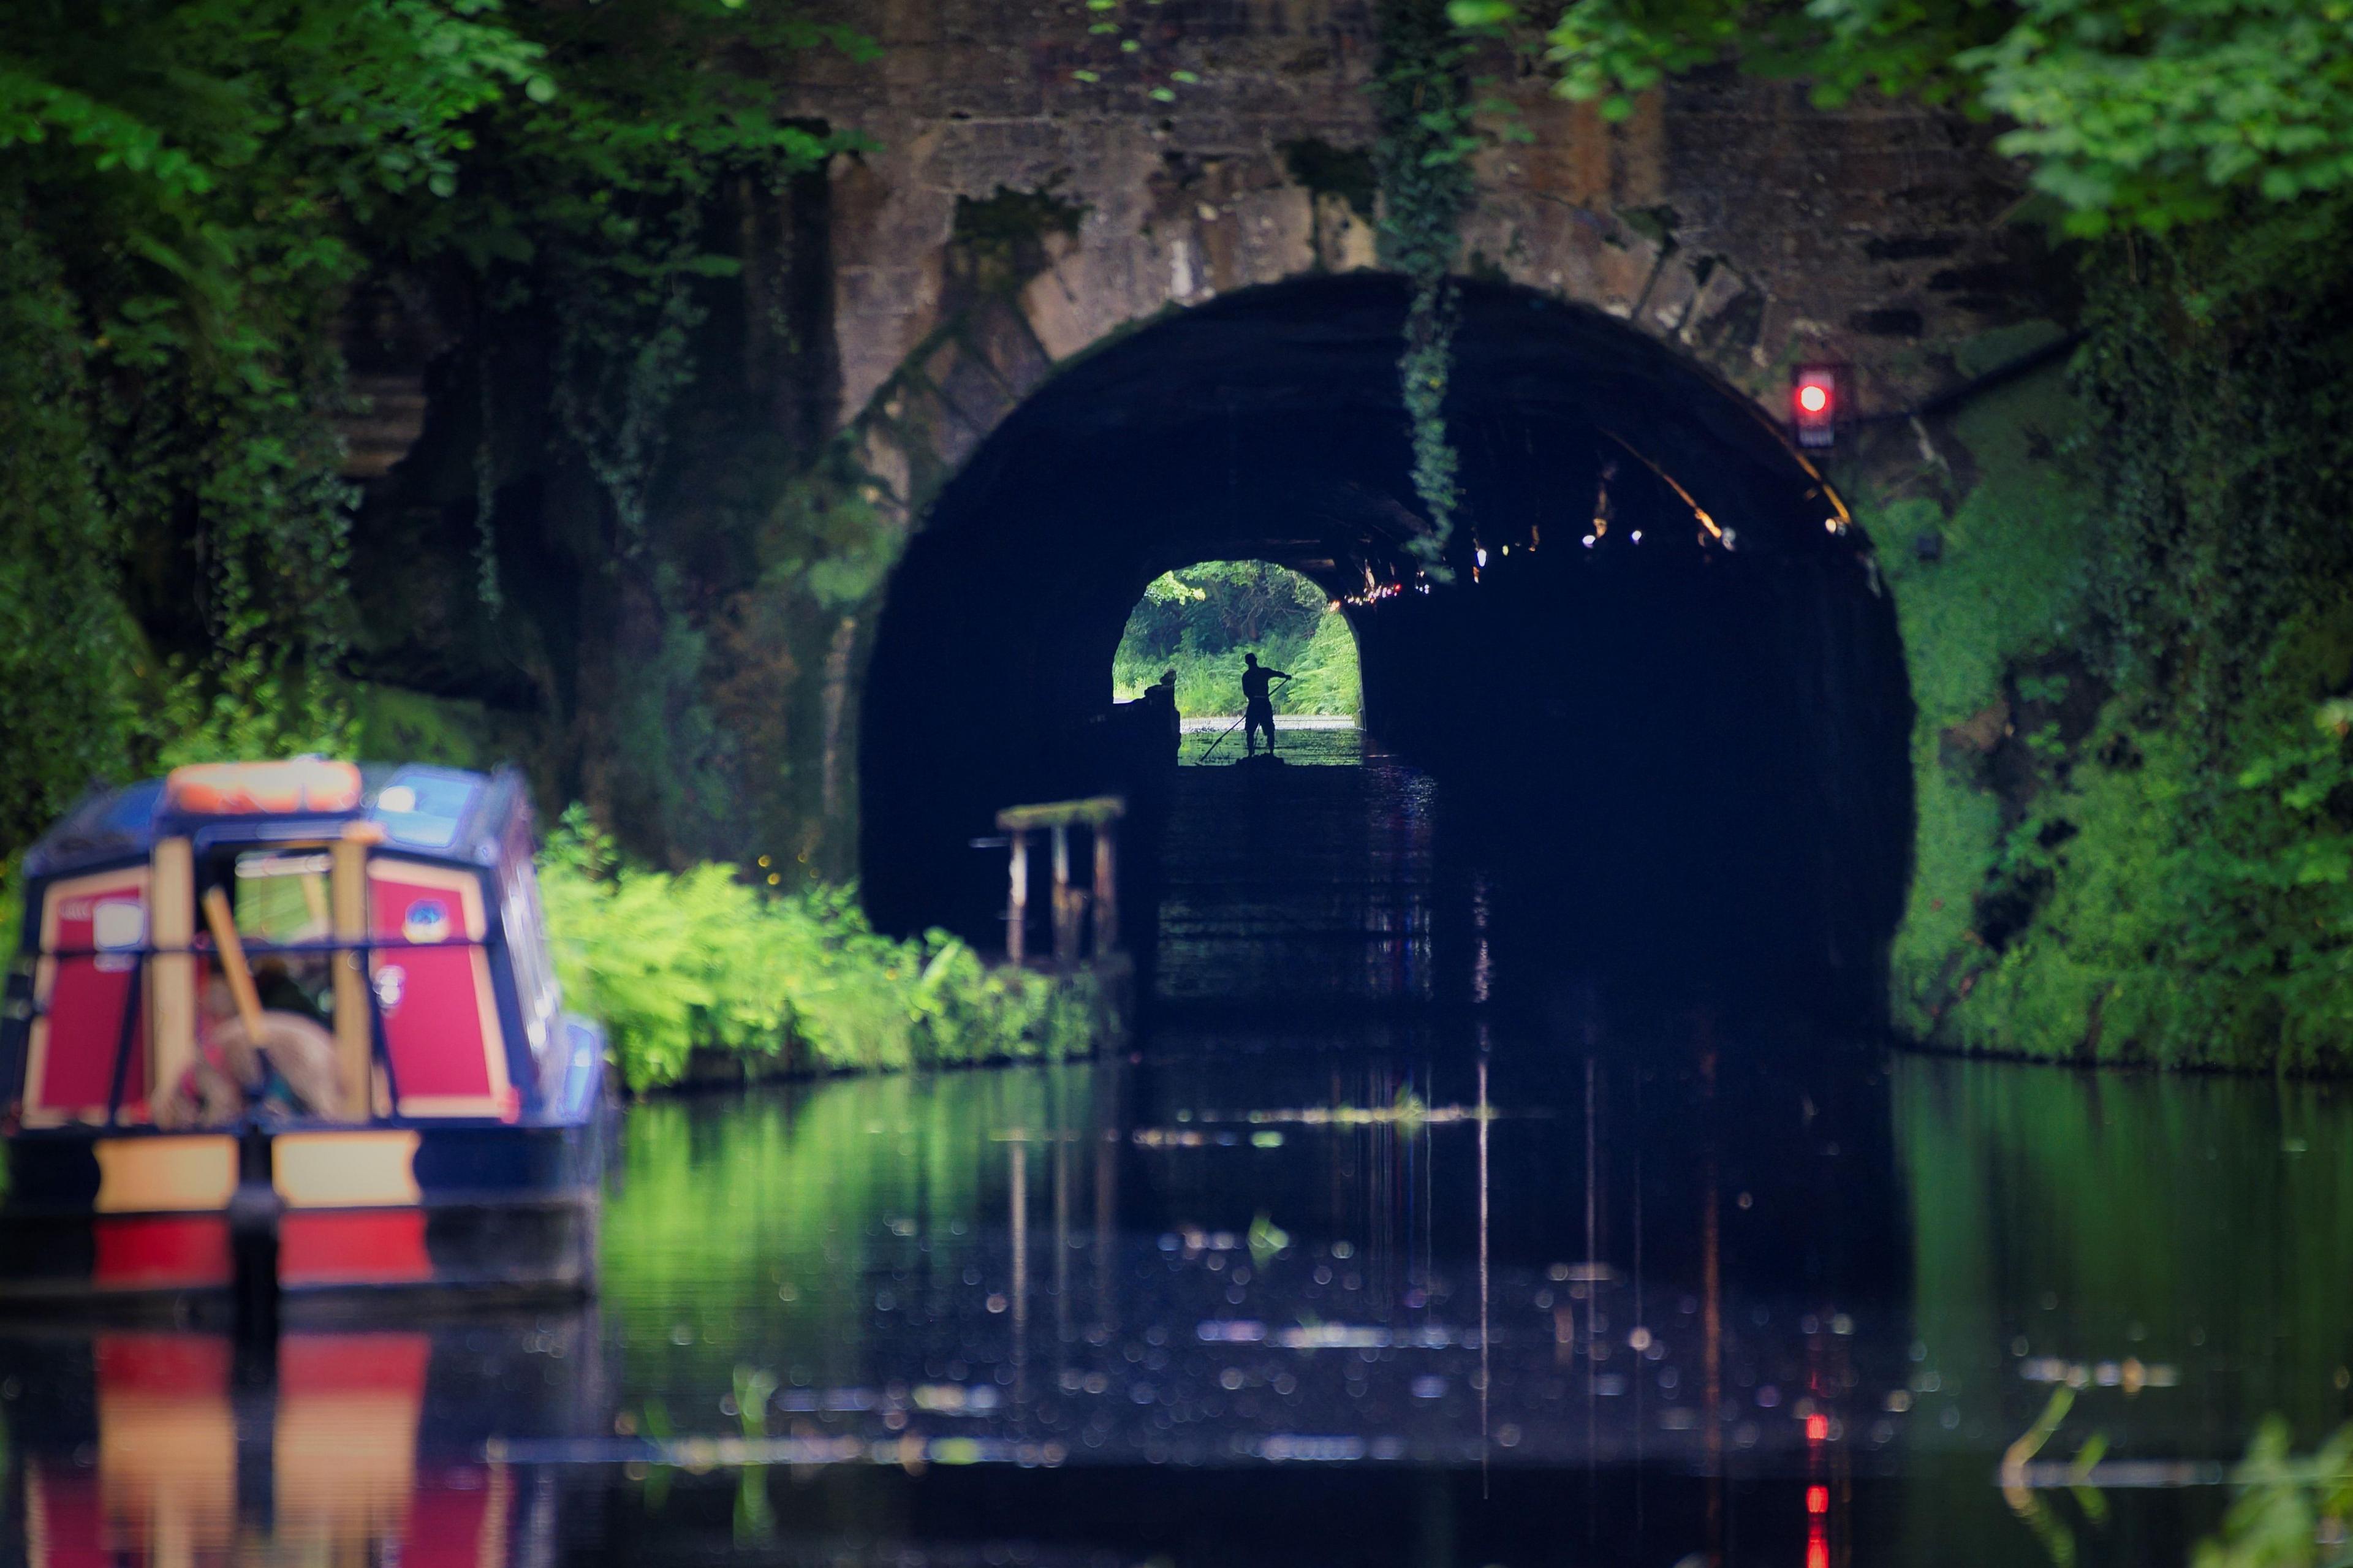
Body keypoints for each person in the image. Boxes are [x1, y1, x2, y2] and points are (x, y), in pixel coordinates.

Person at [1240, 652, 1290, 757]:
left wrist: (1253, 699)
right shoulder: (1264, 672)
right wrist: (1286, 676)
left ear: (1247, 662)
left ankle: (1250, 754)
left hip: (1254, 705)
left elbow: (1246, 692)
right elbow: (1277, 674)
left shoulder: (1246, 676)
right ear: (1256, 660)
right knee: (1270, 730)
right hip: (1264, 704)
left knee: (1250, 731)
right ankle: (1271, 753)